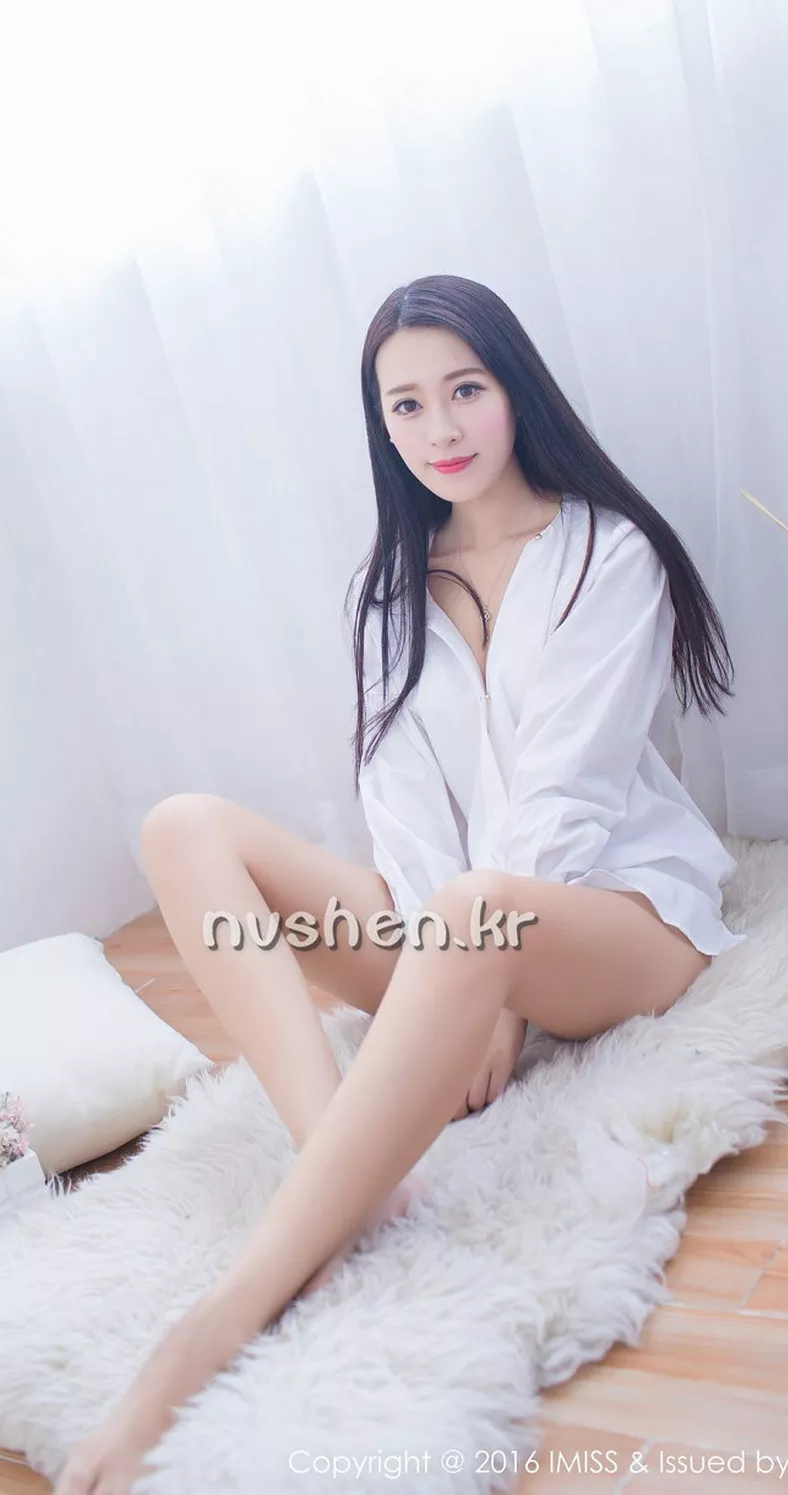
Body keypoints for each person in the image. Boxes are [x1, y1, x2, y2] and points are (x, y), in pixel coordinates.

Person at [54, 273, 746, 1495]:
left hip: (617, 917)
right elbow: (402, 808)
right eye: (408, 405)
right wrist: (452, 968)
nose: (441, 428)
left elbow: (567, 795)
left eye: (465, 390)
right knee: (184, 828)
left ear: (514, 390)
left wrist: (497, 996)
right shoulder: (388, 589)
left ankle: (220, 1319)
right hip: (460, 931)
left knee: (480, 909)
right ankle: (342, 1166)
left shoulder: (606, 551)